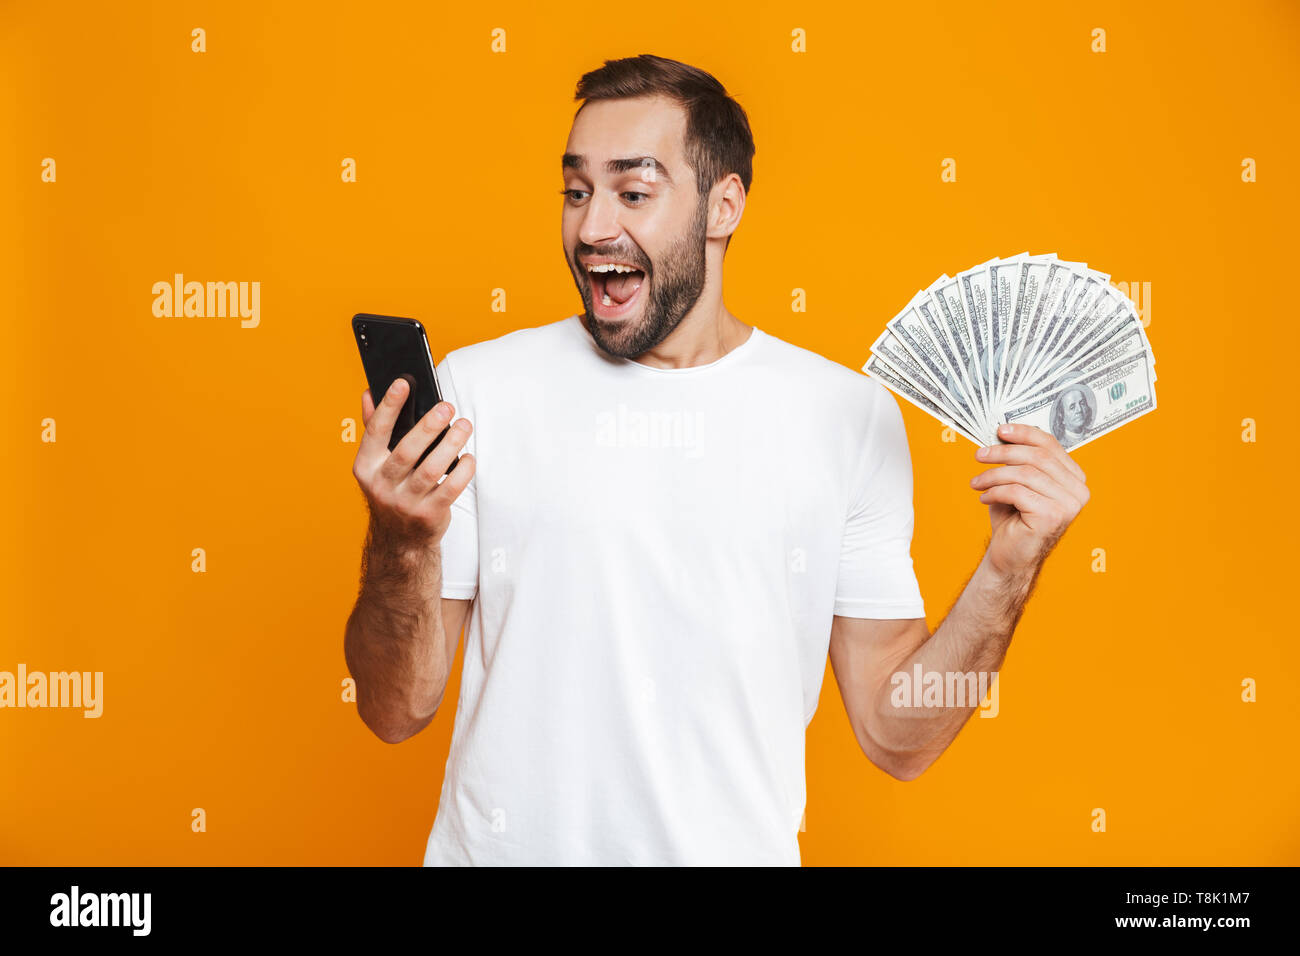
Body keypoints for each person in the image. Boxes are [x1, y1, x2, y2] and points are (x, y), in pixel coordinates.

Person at [343, 54, 1091, 866]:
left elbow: (895, 734)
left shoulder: (845, 417)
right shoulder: (479, 390)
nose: (593, 227)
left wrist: (1010, 565)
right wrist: (401, 539)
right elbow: (395, 708)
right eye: (576, 190)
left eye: (633, 192)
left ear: (722, 205)